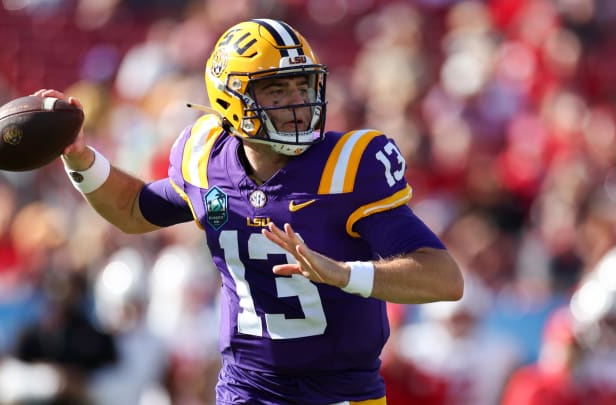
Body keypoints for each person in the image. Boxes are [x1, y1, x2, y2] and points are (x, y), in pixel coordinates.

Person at [37, 18, 464, 404]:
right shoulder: (206, 160)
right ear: (231, 101)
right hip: (246, 390)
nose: (297, 102)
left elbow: (444, 277)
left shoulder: (349, 167)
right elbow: (133, 209)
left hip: (341, 395)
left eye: (303, 85)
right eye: (277, 90)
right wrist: (79, 157)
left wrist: (343, 273)